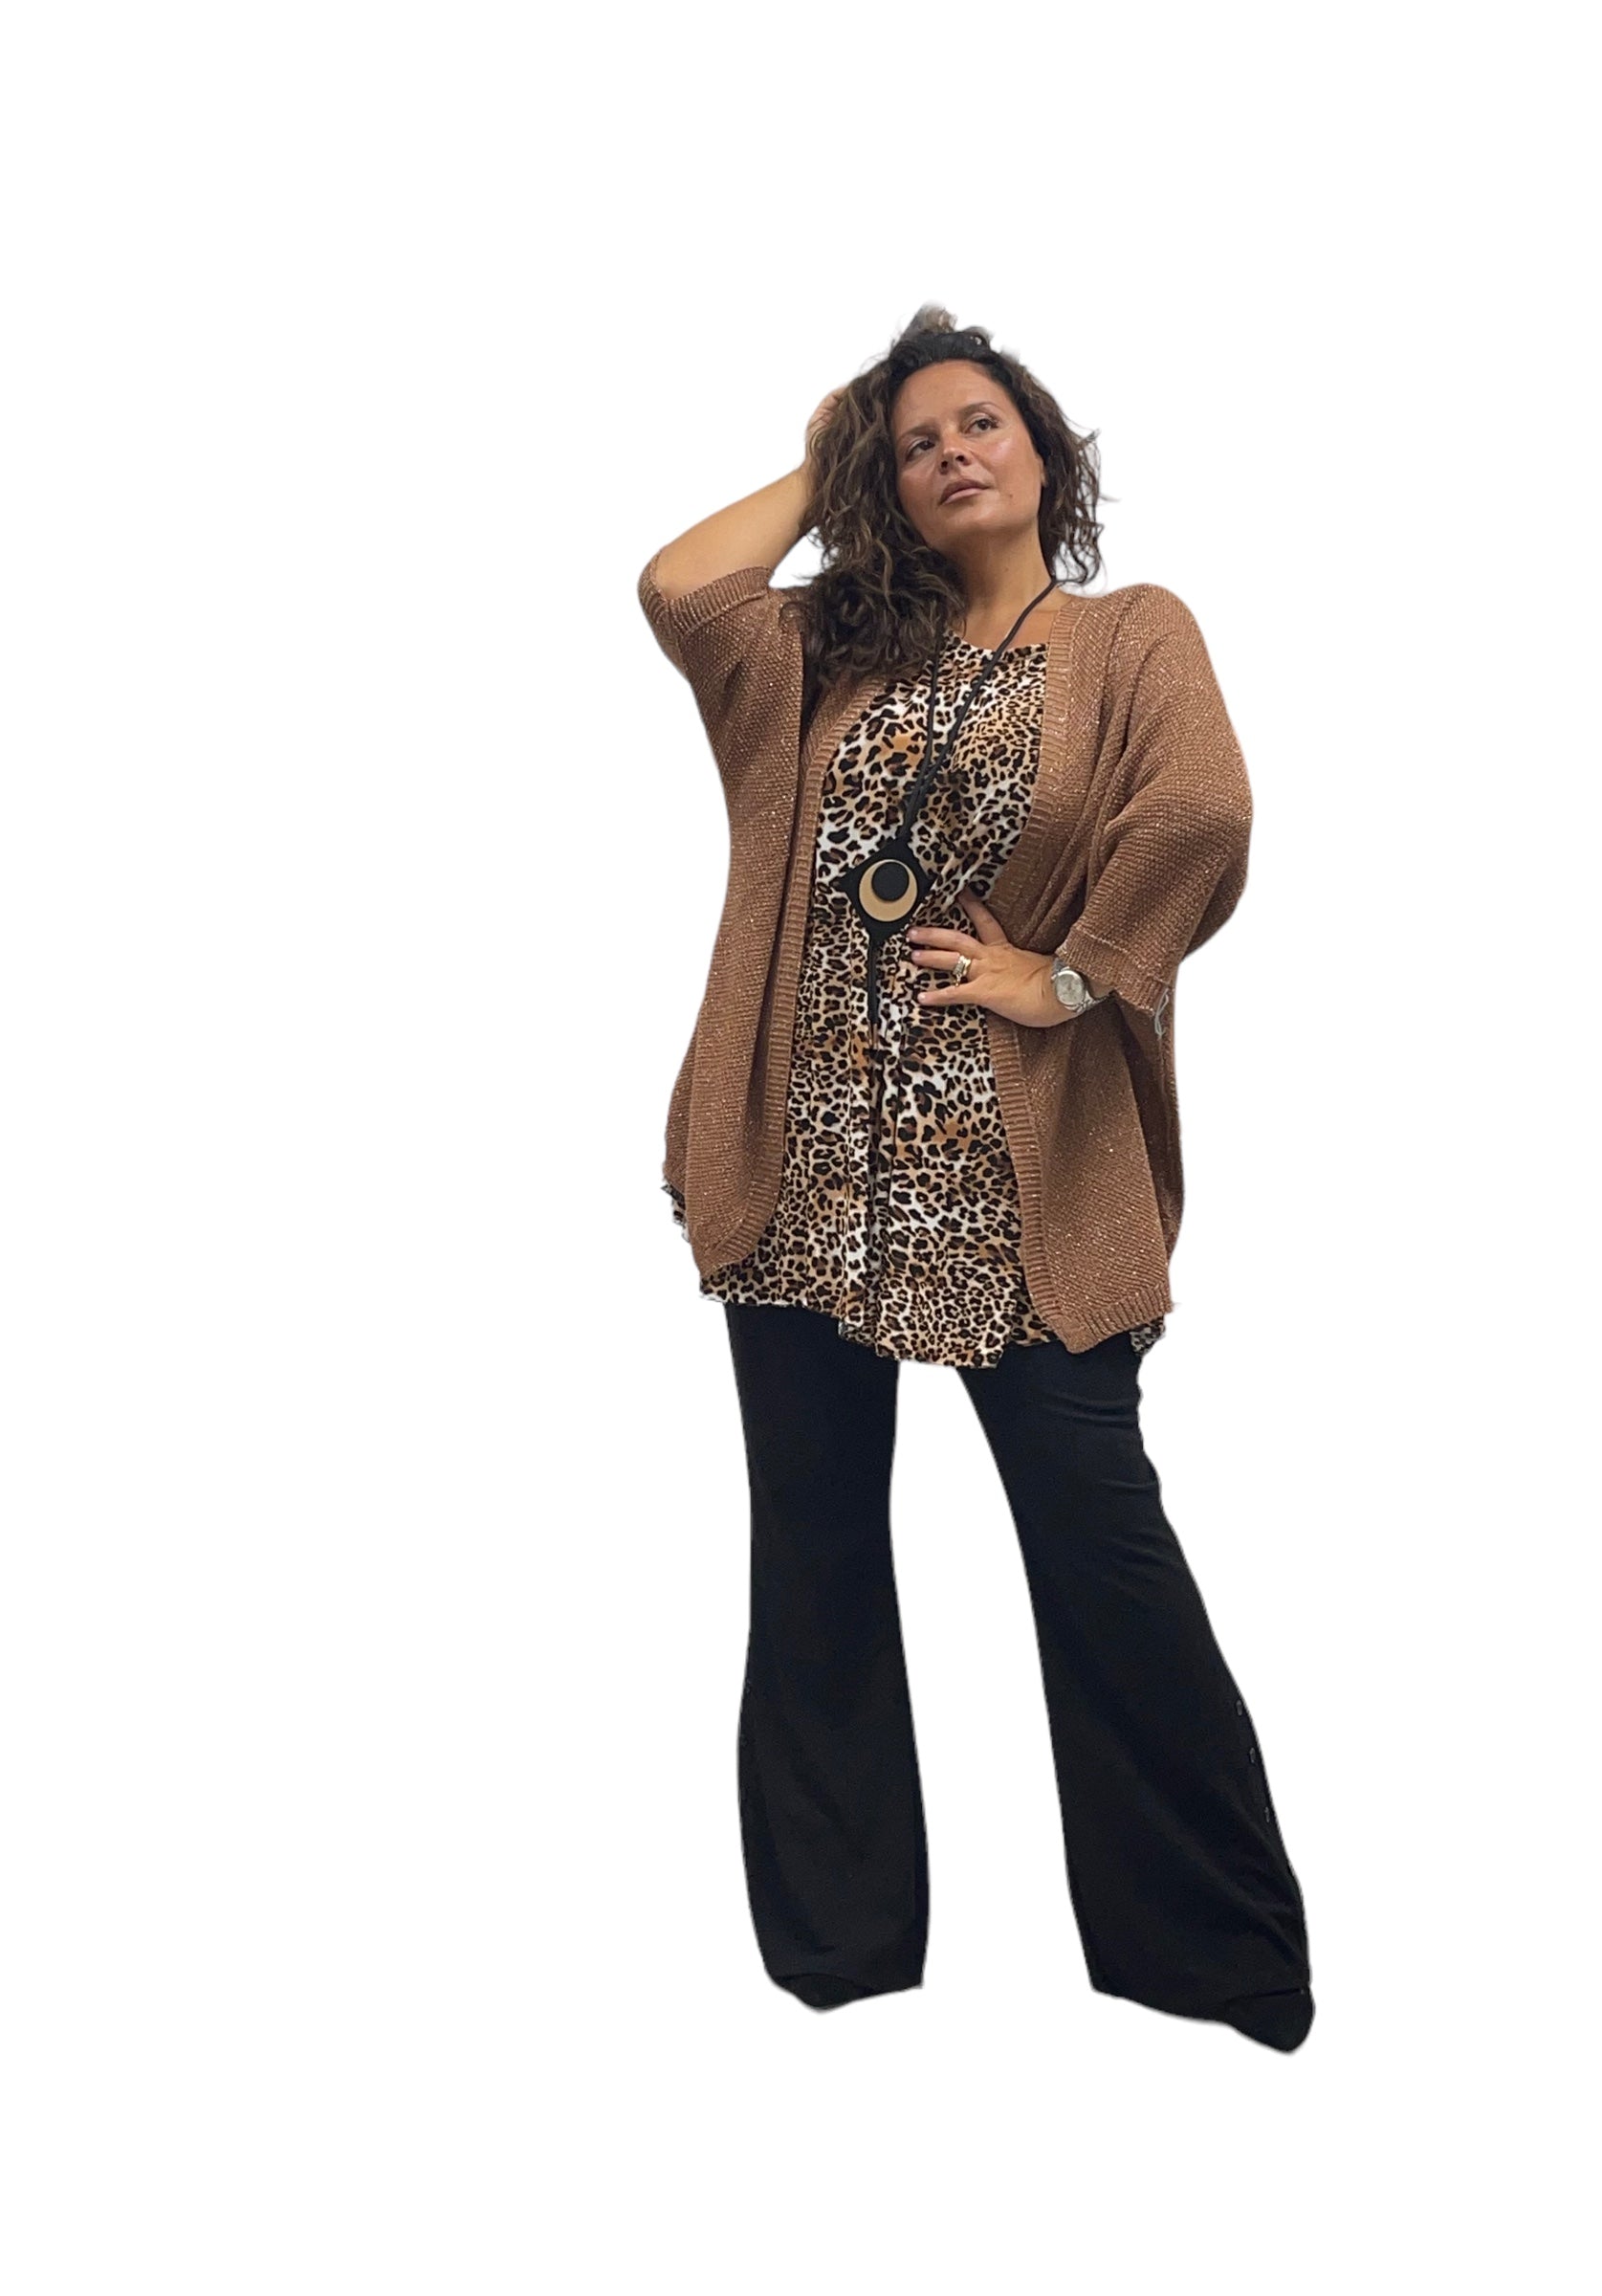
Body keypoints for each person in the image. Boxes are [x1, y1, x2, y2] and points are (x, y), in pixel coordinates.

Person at [636, 305, 1314, 2051]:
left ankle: (1212, 1958)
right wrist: (826, 453)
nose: (953, 451)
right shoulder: (823, 651)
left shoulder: (1130, 634)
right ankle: (842, 1955)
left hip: (1017, 1194)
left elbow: (1203, 813)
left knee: (1100, 1548)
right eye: (916, 440)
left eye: (980, 423)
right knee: (814, 1556)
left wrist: (1072, 978)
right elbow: (681, 590)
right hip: (801, 1171)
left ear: (1044, 448)